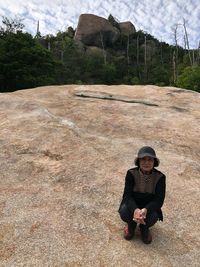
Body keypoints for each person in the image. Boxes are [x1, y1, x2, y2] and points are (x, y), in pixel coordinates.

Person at [118, 146, 166, 244]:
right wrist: (135, 210)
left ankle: (144, 228)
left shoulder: (160, 177)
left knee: (153, 217)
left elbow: (158, 200)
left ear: (154, 162)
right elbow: (127, 196)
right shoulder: (131, 173)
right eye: (143, 159)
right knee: (124, 212)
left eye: (150, 160)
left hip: (148, 207)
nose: (146, 162)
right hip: (133, 204)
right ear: (138, 161)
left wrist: (145, 210)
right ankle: (131, 225)